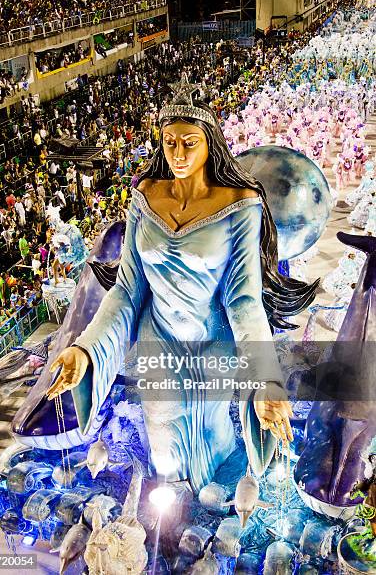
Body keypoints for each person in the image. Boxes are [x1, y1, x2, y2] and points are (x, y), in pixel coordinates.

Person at [44, 87, 318, 493]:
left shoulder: (241, 205)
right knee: (163, 437)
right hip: (159, 340)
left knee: (213, 434)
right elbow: (127, 289)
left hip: (213, 343)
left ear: (211, 145)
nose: (178, 153)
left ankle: (213, 494)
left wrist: (266, 380)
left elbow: (243, 299)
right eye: (169, 142)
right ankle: (170, 512)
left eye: (190, 143)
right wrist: (86, 348)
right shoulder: (143, 197)